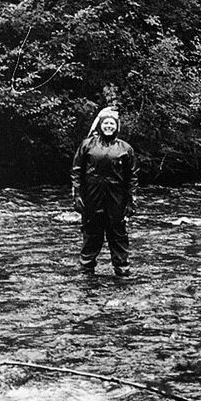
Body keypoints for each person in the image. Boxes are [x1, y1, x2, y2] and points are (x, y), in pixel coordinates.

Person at [71, 106, 139, 277]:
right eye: (106, 123)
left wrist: (131, 201)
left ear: (117, 126)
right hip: (92, 198)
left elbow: (132, 177)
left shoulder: (125, 148)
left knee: (118, 235)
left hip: (116, 199)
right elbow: (77, 171)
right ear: (100, 125)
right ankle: (86, 270)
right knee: (91, 234)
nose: (109, 126)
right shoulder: (87, 145)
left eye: (112, 124)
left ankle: (122, 270)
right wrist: (77, 195)